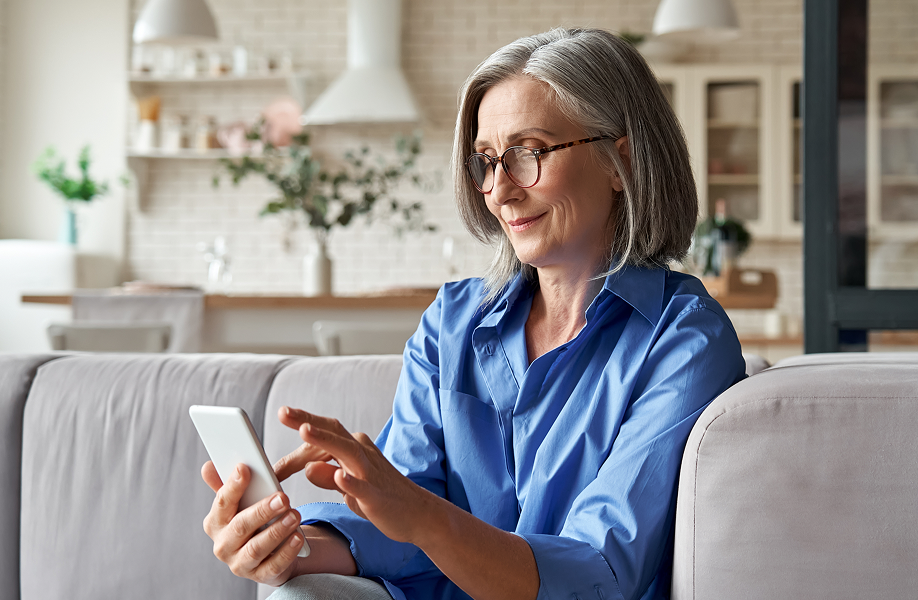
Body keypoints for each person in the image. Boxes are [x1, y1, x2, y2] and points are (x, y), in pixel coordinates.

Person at [200, 27, 745, 600]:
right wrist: (288, 544)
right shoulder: (452, 321)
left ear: (620, 162)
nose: (500, 191)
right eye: (486, 161)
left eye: (529, 152)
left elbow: (600, 572)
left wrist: (421, 516)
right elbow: (400, 524)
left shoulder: (683, 338)